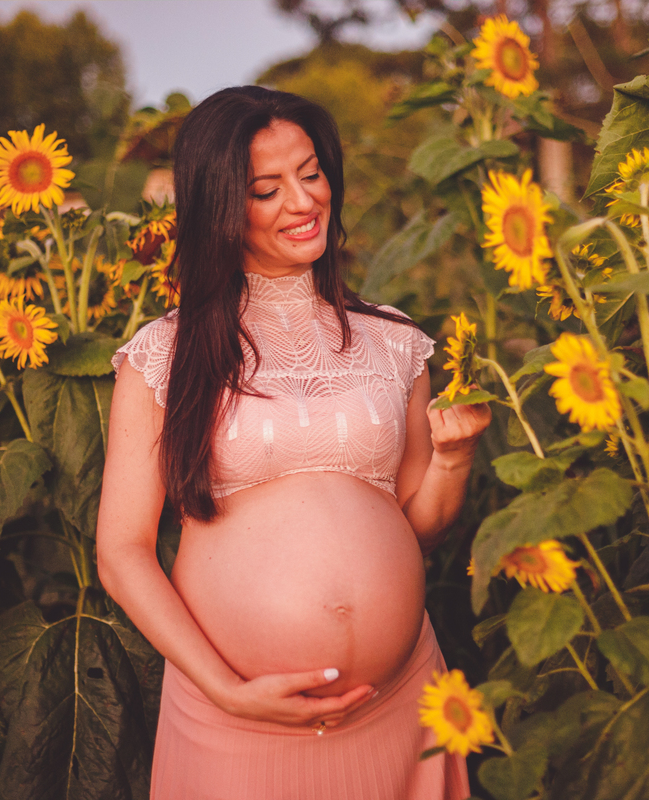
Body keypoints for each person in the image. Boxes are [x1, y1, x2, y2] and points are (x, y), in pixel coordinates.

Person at [97, 86, 491, 800]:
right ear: (220, 205)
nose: (303, 201)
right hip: (234, 720)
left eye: (311, 174)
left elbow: (417, 525)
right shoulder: (165, 354)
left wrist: (454, 460)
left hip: (399, 701)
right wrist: (224, 689)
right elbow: (121, 553)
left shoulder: (394, 341)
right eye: (266, 189)